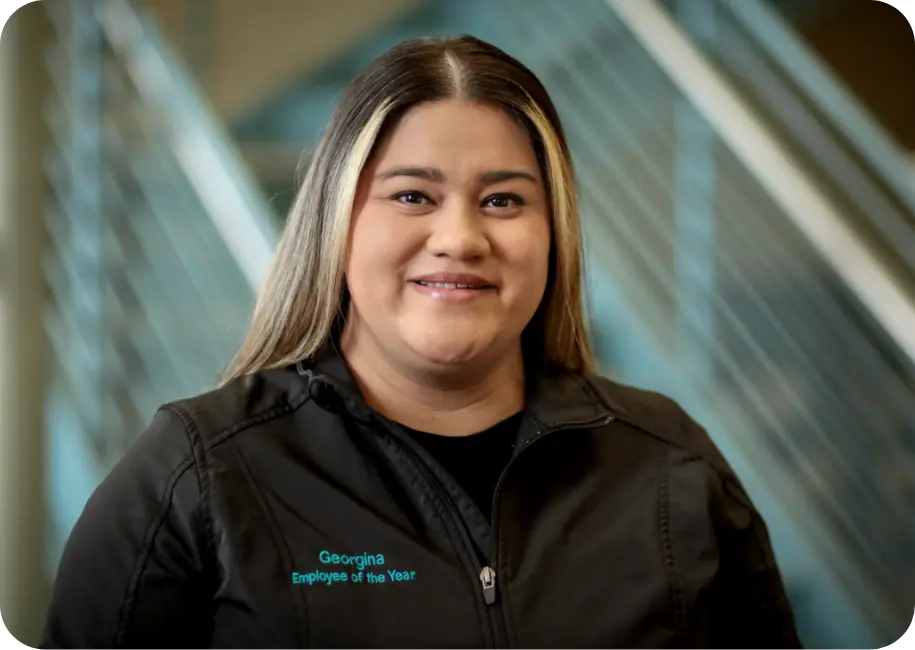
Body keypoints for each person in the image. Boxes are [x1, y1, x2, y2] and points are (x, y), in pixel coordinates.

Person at [38, 35, 803, 650]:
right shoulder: (197, 473)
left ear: (553, 235)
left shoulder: (668, 463)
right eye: (412, 196)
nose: (460, 238)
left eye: (503, 200)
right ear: (337, 226)